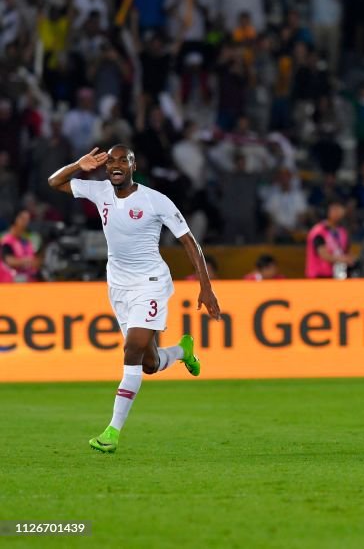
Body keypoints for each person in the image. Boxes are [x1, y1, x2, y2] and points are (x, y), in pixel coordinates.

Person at [48, 146, 220, 454]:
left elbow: (189, 241)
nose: (115, 165)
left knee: (131, 349)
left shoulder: (155, 200)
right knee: (150, 363)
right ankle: (183, 350)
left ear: (132, 166)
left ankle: (112, 432)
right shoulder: (99, 191)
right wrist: (78, 164)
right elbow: (54, 183)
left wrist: (205, 287)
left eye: (122, 161)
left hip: (150, 283)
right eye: (110, 161)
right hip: (118, 286)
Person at [305, 201, 353, 279]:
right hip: (319, 277)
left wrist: (351, 259)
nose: (339, 212)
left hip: (336, 275)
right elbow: (323, 254)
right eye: (335, 209)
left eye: (340, 209)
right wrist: (344, 259)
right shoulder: (318, 231)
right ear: (327, 212)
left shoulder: (342, 231)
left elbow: (347, 251)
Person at [1, 209, 40, 282]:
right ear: (15, 219)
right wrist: (26, 261)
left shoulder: (27, 241)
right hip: (11, 279)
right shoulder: (6, 240)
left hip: (29, 276)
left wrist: (35, 262)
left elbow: (35, 260)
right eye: (23, 218)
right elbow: (8, 261)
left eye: (28, 219)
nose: (26, 222)